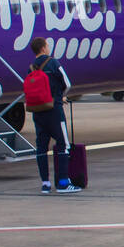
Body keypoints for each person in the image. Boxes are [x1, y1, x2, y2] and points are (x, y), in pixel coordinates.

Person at [28, 36, 81, 193]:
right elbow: (67, 83)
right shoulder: (52, 62)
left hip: (38, 111)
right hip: (54, 110)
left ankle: (45, 183)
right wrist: (60, 97)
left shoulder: (31, 67)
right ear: (44, 48)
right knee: (63, 144)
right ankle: (63, 183)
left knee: (41, 148)